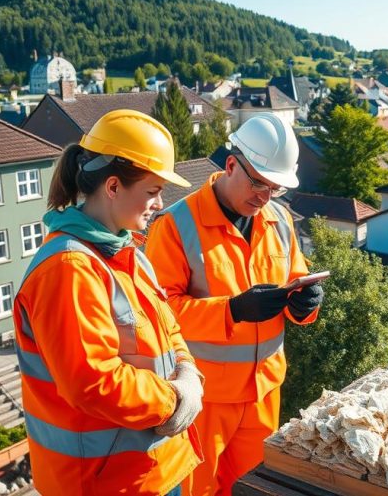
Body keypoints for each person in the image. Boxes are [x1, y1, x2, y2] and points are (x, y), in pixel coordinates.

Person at [14, 110, 204, 496]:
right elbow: (93, 382)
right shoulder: (68, 270)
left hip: (153, 468)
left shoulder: (128, 253)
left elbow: (169, 330)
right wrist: (173, 400)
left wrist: (187, 372)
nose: (159, 203)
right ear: (113, 187)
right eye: (152, 192)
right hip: (104, 483)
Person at [146, 114, 324, 496]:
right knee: (198, 490)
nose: (264, 197)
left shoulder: (278, 220)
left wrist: (305, 305)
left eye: (274, 188)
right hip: (204, 399)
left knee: (257, 489)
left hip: (264, 393)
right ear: (231, 164)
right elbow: (158, 316)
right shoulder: (176, 225)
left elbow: (295, 278)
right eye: (258, 183)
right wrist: (233, 310)